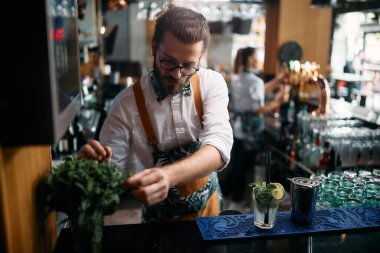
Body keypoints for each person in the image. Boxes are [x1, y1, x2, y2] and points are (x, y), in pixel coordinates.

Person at [78, 4, 233, 223]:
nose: (177, 74)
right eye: (167, 61)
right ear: (153, 48)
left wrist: (169, 175)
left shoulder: (211, 83)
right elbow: (111, 179)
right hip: (158, 226)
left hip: (210, 215)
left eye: (188, 66)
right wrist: (93, 171)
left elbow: (219, 145)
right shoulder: (126, 105)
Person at [223, 46, 285, 212]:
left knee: (237, 165)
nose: (259, 59)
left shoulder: (238, 78)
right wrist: (278, 101)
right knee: (246, 167)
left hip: (238, 128)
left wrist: (278, 80)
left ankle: (230, 201)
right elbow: (258, 109)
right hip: (251, 132)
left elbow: (258, 92)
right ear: (251, 59)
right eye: (257, 56)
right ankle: (240, 204)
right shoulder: (255, 81)